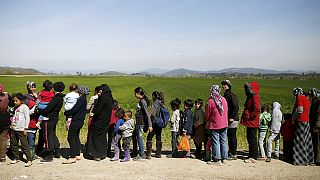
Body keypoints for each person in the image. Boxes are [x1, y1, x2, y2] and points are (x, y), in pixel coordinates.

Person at [38, 81, 65, 162]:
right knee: (52, 135)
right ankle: (57, 152)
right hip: (54, 118)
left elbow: (47, 109)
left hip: (48, 119)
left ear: (54, 88)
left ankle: (49, 155)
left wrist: (39, 110)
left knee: (47, 136)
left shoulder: (56, 99)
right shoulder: (60, 98)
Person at [62, 85, 89, 164]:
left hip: (76, 121)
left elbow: (74, 110)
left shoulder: (80, 100)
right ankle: (77, 154)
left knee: (71, 138)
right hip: (80, 121)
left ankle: (72, 156)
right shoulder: (84, 99)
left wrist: (66, 113)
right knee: (76, 137)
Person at [86, 84, 113, 161]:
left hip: (99, 120)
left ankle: (97, 154)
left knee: (96, 137)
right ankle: (103, 153)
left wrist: (94, 116)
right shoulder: (110, 98)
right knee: (102, 137)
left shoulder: (103, 98)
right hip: (106, 121)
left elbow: (98, 110)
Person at [205, 85, 228, 165]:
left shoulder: (211, 101)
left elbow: (207, 114)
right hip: (224, 124)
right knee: (223, 141)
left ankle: (217, 159)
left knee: (216, 141)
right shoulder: (224, 100)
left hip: (215, 124)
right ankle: (224, 158)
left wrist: (207, 120)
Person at [292, 87, 314, 165]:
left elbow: (300, 110)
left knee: (299, 141)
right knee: (306, 140)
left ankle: (300, 160)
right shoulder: (306, 98)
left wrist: (293, 118)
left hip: (301, 121)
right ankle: (309, 159)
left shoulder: (300, 98)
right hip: (306, 121)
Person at [10, 93, 32, 167]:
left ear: (21, 100)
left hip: (21, 129)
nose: (15, 102)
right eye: (14, 101)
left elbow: (27, 118)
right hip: (14, 128)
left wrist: (26, 128)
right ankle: (16, 157)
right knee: (14, 144)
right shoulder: (15, 108)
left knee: (24, 144)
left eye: (16, 101)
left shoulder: (24, 107)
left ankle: (29, 159)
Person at [241, 82, 260, 163]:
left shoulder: (255, 96)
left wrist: (250, 116)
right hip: (250, 122)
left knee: (252, 138)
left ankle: (254, 156)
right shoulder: (251, 96)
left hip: (253, 121)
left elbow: (257, 109)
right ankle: (251, 155)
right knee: (249, 138)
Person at [221, 80, 239, 160]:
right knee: (229, 136)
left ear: (229, 85)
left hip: (232, 119)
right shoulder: (226, 94)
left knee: (232, 136)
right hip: (228, 118)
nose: (223, 86)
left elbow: (235, 106)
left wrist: (232, 116)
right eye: (223, 85)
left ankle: (234, 153)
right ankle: (230, 151)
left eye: (225, 84)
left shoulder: (232, 95)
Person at [133, 87, 152, 161]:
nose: (134, 95)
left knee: (139, 137)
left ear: (138, 93)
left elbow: (147, 114)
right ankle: (135, 152)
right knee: (134, 135)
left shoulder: (143, 101)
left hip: (140, 122)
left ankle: (141, 154)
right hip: (138, 122)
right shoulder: (141, 100)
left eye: (135, 93)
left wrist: (150, 125)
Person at [146, 91, 164, 159]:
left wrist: (151, 122)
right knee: (158, 136)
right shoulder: (161, 102)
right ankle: (158, 153)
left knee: (149, 137)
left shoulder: (155, 103)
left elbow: (153, 114)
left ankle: (148, 155)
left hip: (155, 123)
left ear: (154, 96)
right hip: (160, 123)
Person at [24, 81, 40, 160]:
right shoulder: (27, 98)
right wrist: (37, 99)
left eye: (34, 86)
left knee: (32, 138)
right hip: (30, 122)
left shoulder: (35, 96)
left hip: (35, 121)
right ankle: (30, 155)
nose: (34, 88)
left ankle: (31, 153)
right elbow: (34, 108)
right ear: (28, 88)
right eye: (32, 87)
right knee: (31, 139)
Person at [308, 88, 320, 165]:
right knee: (316, 142)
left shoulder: (318, 102)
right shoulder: (315, 101)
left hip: (318, 125)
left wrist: (316, 125)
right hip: (315, 124)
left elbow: (318, 115)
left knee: (317, 142)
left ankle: (318, 160)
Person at [0, 84, 11, 162]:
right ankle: (2, 156)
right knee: (3, 138)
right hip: (6, 118)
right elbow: (11, 104)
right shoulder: (6, 96)